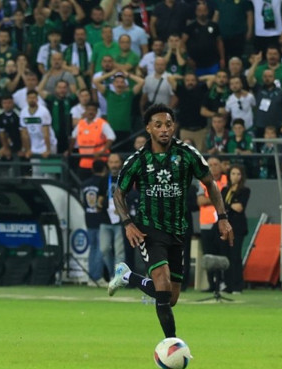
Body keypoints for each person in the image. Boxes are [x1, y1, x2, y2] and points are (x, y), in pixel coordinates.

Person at [108, 104, 234, 339]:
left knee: (171, 297)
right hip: (149, 229)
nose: (164, 129)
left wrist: (223, 218)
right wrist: (128, 223)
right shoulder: (137, 160)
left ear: (173, 126)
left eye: (168, 124)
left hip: (177, 230)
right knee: (163, 287)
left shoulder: (187, 154)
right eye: (158, 125)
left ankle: (126, 276)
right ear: (148, 128)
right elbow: (118, 195)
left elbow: (210, 183)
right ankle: (172, 345)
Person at [197, 156, 228, 291]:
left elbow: (226, 199)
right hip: (207, 224)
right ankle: (211, 284)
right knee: (208, 254)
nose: (213, 167)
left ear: (221, 166)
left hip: (221, 223)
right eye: (210, 165)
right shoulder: (202, 182)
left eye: (216, 164)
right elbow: (200, 201)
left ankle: (223, 283)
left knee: (222, 253)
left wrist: (210, 197)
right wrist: (217, 197)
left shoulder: (226, 181)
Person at [220, 165, 251, 294]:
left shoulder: (245, 190)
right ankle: (228, 284)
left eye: (238, 174)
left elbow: (239, 207)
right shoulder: (224, 190)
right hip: (225, 227)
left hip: (237, 228)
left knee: (235, 256)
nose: (235, 176)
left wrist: (226, 205)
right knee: (226, 256)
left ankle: (238, 284)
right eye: (233, 173)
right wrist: (228, 206)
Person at [97, 153, 126, 280]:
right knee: (104, 249)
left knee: (120, 252)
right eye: (111, 162)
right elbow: (100, 198)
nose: (114, 165)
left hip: (121, 220)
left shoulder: (126, 178)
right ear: (108, 164)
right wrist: (99, 204)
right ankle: (112, 274)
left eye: (116, 162)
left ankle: (118, 278)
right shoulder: (104, 180)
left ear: (121, 163)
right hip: (105, 219)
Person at [71, 101, 115, 181]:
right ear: (85, 111)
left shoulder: (102, 123)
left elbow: (111, 137)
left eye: (93, 110)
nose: (91, 112)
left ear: (96, 112)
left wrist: (102, 151)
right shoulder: (81, 123)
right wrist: (69, 150)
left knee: (100, 183)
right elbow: (73, 136)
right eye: (89, 109)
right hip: (84, 161)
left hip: (99, 161)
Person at [82, 159, 109, 287]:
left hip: (88, 217)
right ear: (104, 169)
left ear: (92, 169)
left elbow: (83, 201)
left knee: (92, 248)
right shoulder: (103, 182)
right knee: (99, 248)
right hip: (100, 218)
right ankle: (97, 277)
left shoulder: (84, 183)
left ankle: (91, 277)